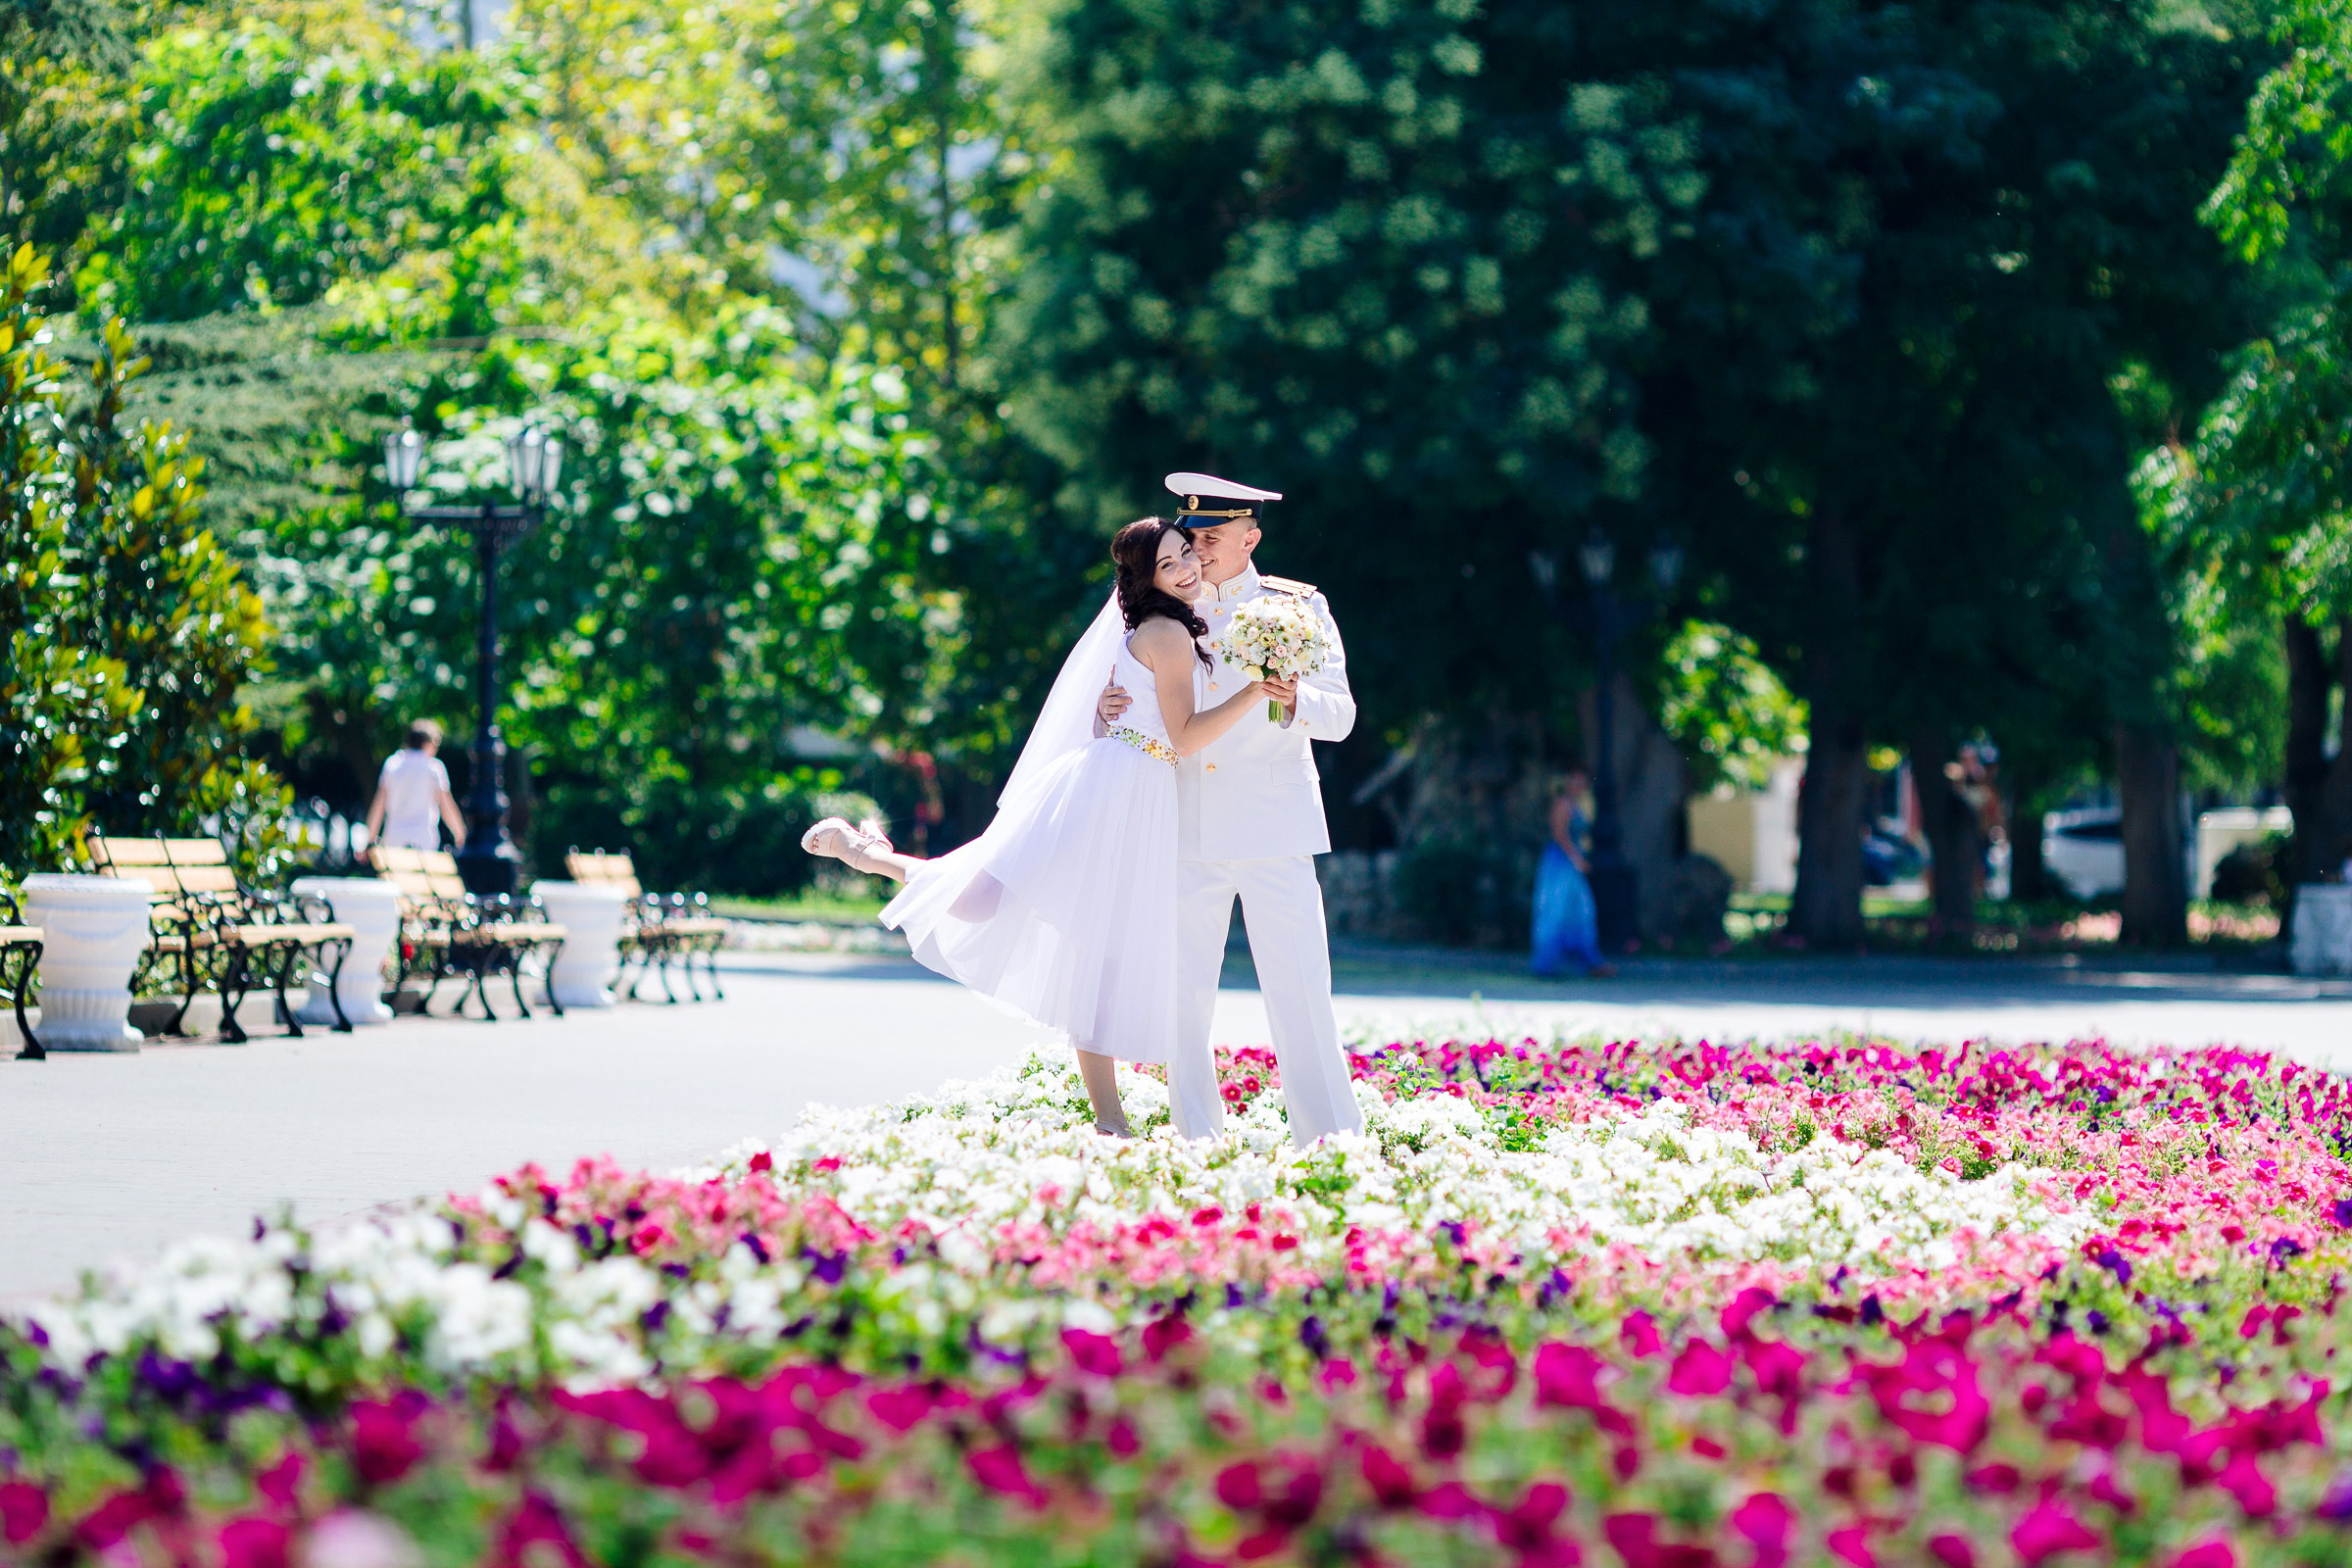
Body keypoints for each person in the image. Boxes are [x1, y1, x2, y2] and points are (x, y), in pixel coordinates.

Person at [800, 515, 1276, 1137]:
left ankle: (1109, 1120)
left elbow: (1131, 718)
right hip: (1111, 795)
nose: (1186, 566)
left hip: (1134, 791)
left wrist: (1115, 715)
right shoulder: (1166, 632)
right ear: (1147, 579)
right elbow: (1184, 737)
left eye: (1186, 552)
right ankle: (864, 851)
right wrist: (1255, 693)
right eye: (1168, 563)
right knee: (1010, 918)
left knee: (1065, 941)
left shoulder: (1166, 626)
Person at [1094, 472, 1364, 1147]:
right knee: (1182, 998)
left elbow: (1342, 715)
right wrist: (1109, 706)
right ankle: (1196, 1140)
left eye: (1214, 536)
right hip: (1185, 822)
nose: (1199, 550)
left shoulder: (1297, 605)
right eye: (1192, 537)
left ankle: (1331, 1141)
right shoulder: (1159, 612)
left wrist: (1295, 697)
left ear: (1252, 538)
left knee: (1301, 990)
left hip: (1274, 824)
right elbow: (1129, 699)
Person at [1532, 770, 1614, 978]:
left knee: (1581, 910)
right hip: (1560, 863)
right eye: (1575, 781)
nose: (1579, 786)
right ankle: (1547, 962)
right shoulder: (1562, 804)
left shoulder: (1579, 806)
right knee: (1555, 910)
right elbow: (1559, 834)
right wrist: (1576, 858)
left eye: (1582, 783)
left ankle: (1588, 960)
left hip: (1572, 863)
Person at [366, 720, 468, 852]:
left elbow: (379, 804)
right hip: (423, 837)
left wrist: (370, 838)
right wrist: (460, 834)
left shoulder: (392, 764)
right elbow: (446, 805)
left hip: (394, 836)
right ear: (427, 743)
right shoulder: (433, 767)